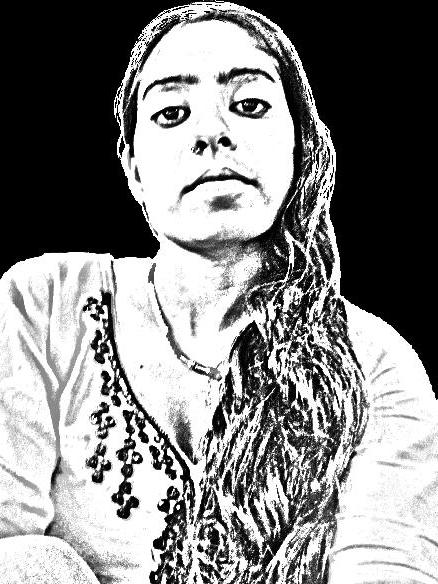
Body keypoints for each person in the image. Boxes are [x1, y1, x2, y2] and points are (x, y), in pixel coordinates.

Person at [0, 2, 437, 583]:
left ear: (301, 146)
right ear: (132, 168)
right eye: (172, 112)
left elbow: (388, 571)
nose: (211, 133)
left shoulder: (375, 365)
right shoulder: (46, 305)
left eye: (250, 105)